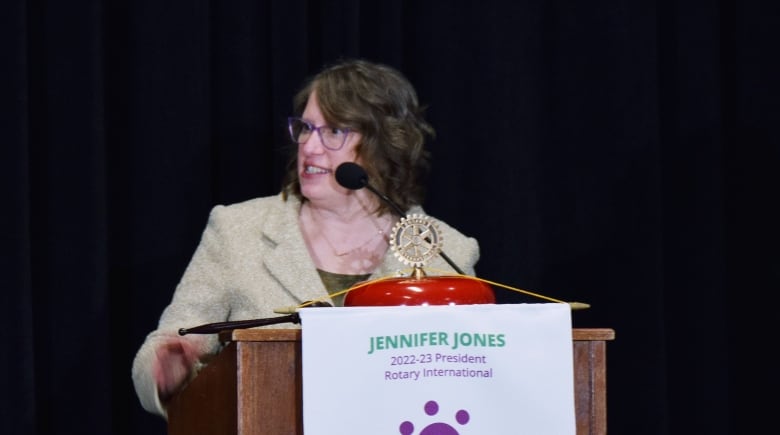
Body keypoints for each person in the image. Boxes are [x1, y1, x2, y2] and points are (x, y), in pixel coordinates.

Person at [131, 58, 481, 418]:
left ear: (384, 143)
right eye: (306, 128)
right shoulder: (238, 231)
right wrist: (166, 367)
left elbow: (467, 375)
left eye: (333, 132)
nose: (310, 147)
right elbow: (169, 342)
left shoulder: (445, 251)